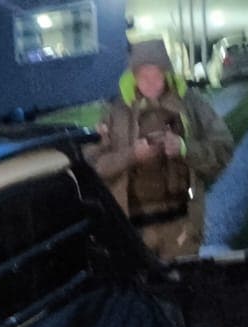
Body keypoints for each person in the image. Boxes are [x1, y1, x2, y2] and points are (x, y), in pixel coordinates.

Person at [85, 38, 233, 259]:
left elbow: (223, 148)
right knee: (141, 290)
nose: (151, 82)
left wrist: (184, 148)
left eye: (157, 75)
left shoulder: (191, 104)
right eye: (143, 76)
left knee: (181, 287)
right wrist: (132, 155)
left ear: (168, 74)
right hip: (131, 231)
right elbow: (94, 166)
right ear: (132, 77)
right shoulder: (115, 112)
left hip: (181, 226)